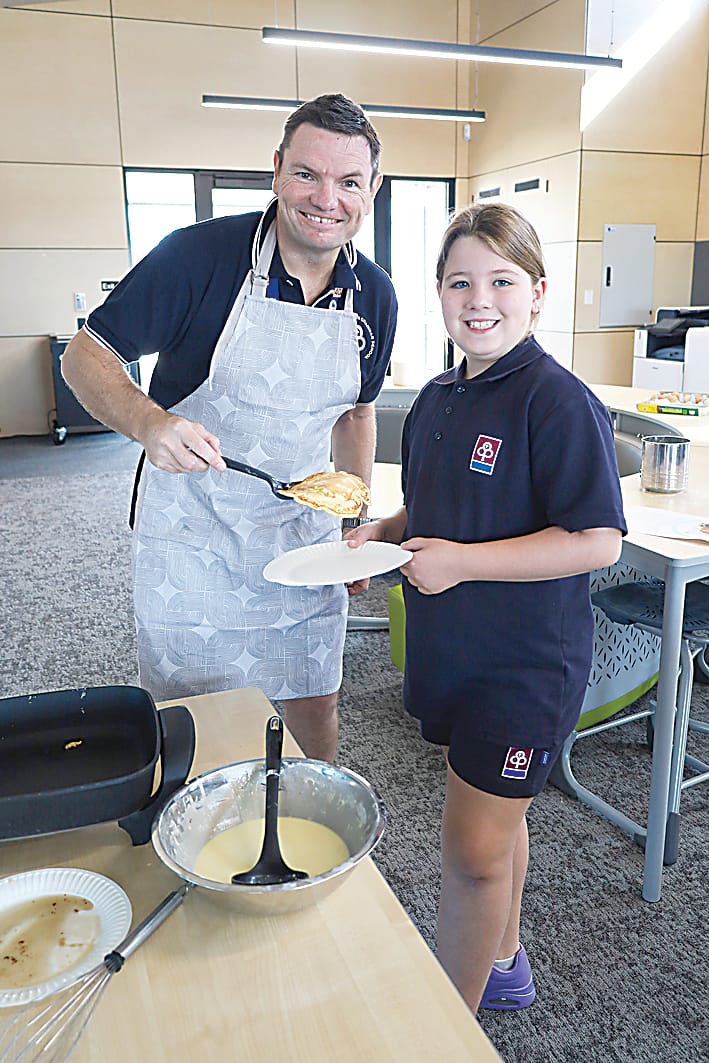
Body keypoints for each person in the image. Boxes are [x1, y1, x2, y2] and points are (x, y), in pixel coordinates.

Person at [345, 203, 626, 1013]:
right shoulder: (437, 395)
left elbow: (596, 540)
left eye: (501, 280)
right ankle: (503, 961)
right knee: (492, 821)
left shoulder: (555, 399)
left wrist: (461, 564)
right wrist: (386, 534)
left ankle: (448, 1026)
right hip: (453, 653)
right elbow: (437, 512)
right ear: (437, 293)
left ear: (536, 293)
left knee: (470, 852)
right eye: (460, 281)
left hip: (522, 664)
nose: (480, 298)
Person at [61, 94, 397, 762]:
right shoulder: (196, 257)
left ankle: (305, 847)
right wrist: (150, 423)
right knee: (195, 728)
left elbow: (355, 413)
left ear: (372, 189)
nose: (325, 198)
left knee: (310, 707)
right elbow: (84, 356)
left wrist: (350, 519)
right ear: (276, 171)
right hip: (193, 538)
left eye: (348, 181)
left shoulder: (375, 297)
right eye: (306, 173)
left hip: (298, 538)